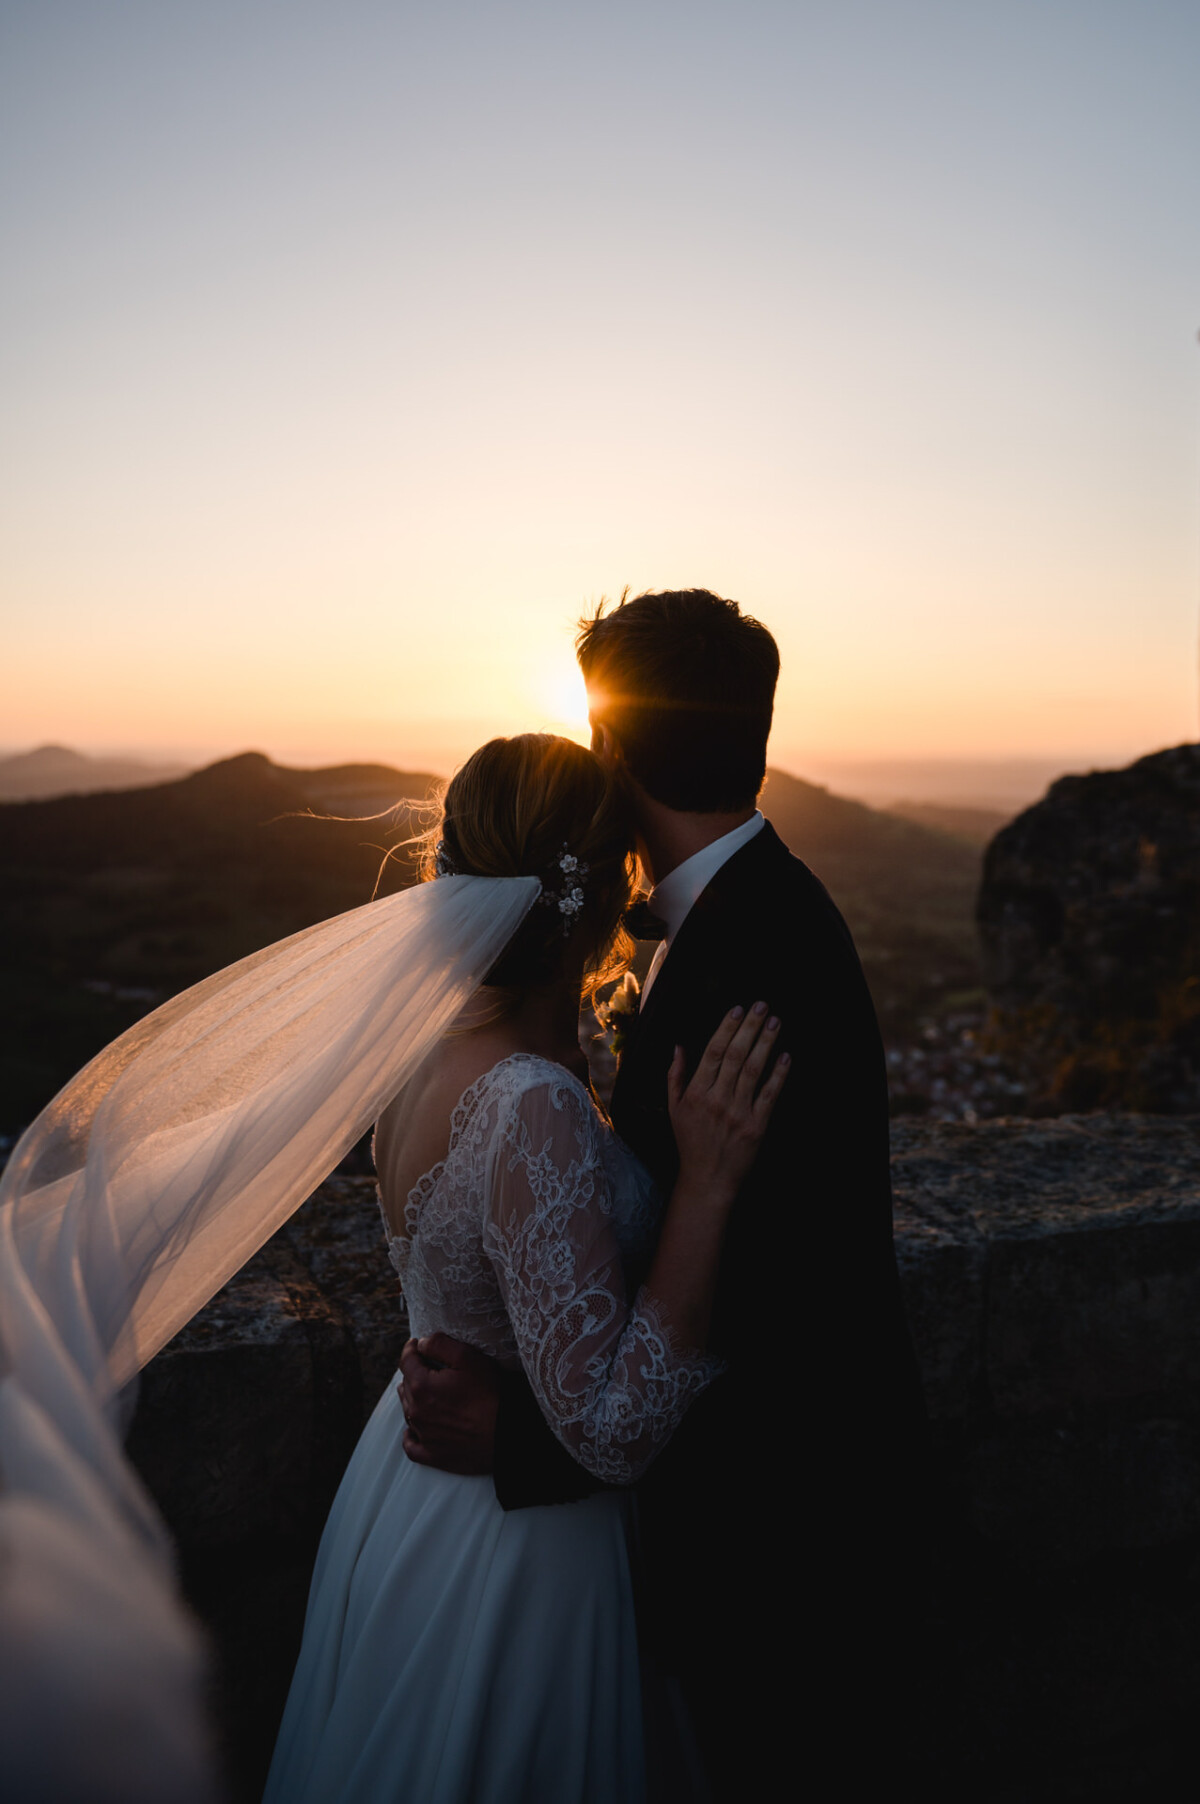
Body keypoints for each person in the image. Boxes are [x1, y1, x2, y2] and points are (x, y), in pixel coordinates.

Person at [398, 591, 933, 1798]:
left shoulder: (759, 963)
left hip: (785, 1550)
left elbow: (785, 1296)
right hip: (732, 1539)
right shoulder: (732, 918)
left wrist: (529, 1435)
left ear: (619, 746)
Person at [261, 732, 791, 1804]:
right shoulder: (530, 1100)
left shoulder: (421, 1054)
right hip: (518, 1554)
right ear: (604, 898)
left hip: (410, 1500)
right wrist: (704, 1188)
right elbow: (610, 1427)